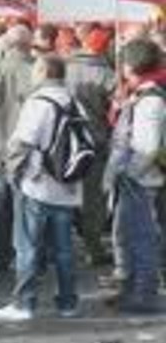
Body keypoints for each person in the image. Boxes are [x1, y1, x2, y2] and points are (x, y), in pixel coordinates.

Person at [0, 56, 83, 321]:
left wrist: (12, 172)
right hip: (68, 186)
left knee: (28, 246)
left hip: (37, 183)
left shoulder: (38, 103)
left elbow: (22, 142)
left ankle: (24, 303)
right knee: (64, 250)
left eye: (35, 68)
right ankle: (68, 303)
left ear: (44, 71)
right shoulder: (74, 102)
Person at [103, 39, 166, 314]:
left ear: (131, 66)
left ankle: (144, 293)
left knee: (141, 238)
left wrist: (130, 174)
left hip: (139, 181)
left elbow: (148, 147)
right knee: (126, 235)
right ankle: (130, 287)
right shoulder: (140, 95)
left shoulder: (150, 100)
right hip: (132, 178)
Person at [0, 25, 34, 276]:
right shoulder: (37, 73)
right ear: (28, 45)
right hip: (29, 154)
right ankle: (29, 263)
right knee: (27, 213)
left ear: (7, 45)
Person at [66, 27, 117, 266]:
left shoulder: (65, 67)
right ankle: (93, 248)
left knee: (61, 193)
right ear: (105, 47)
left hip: (66, 141)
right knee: (93, 197)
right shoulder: (107, 74)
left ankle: (58, 248)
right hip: (95, 140)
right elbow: (115, 110)